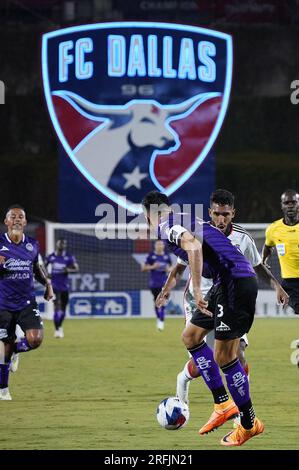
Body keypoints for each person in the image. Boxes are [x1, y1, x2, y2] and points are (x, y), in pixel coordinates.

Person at [142, 190, 265, 447]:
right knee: (191, 335)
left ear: (149, 214)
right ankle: (222, 403)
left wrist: (197, 289)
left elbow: (194, 246)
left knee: (225, 356)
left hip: (234, 281)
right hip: (228, 282)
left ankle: (249, 423)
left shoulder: (166, 225)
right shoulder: (184, 217)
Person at [158, 189, 288, 424]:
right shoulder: (198, 231)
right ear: (210, 212)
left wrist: (277, 286)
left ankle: (240, 414)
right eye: (217, 214)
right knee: (205, 355)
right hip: (201, 302)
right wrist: (167, 290)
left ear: (233, 213)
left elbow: (257, 266)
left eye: (226, 215)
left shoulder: (243, 238)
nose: (221, 219)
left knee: (235, 355)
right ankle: (185, 380)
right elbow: (179, 267)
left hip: (232, 296)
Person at [0, 205, 54, 400]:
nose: (16, 219)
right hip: (3, 304)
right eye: (12, 216)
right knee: (5, 344)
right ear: (6, 222)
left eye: (20, 217)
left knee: (35, 339)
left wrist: (48, 284)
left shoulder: (32, 244)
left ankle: (17, 349)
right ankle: (3, 390)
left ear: (24, 222)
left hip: (26, 303)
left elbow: (37, 268)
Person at [262, 189, 299, 315]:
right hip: (290, 283)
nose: (290, 205)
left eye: (293, 202)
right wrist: (264, 260)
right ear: (282, 205)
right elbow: (268, 246)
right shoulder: (273, 229)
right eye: (286, 202)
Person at [45, 238, 79, 338]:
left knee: (63, 310)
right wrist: (47, 274)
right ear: (57, 244)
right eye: (60, 243)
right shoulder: (50, 257)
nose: (62, 245)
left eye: (64, 244)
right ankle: (57, 330)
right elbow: (42, 268)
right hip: (54, 286)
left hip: (64, 287)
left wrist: (67, 270)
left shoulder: (69, 257)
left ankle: (59, 327)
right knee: (57, 307)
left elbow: (76, 269)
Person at [142, 240, 172, 331]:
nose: (160, 246)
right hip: (154, 283)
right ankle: (159, 318)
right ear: (155, 246)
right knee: (156, 301)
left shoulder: (167, 256)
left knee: (163, 300)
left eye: (161, 244)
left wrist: (168, 269)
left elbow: (171, 268)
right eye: (158, 244)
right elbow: (143, 268)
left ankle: (161, 320)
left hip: (164, 283)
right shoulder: (151, 256)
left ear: (163, 246)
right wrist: (153, 267)